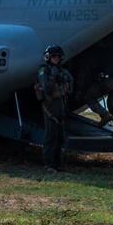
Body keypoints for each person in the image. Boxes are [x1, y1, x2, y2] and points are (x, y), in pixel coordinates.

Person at [79, 49, 113, 137]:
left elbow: (94, 66)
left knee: (89, 96)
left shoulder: (104, 52)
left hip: (110, 80)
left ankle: (105, 114)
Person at [36, 44, 73, 172]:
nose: (56, 58)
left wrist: (64, 78)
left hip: (60, 105)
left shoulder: (61, 71)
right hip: (50, 105)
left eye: (58, 56)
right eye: (53, 56)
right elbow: (46, 88)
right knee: (51, 136)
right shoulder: (44, 70)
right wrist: (53, 76)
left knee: (60, 136)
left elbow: (70, 86)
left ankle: (58, 164)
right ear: (48, 57)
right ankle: (49, 164)